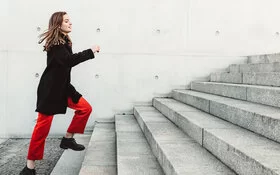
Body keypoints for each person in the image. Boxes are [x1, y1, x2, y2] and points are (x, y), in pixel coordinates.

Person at [20, 11, 100, 175]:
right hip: (50, 91)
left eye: (70, 20)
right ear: (58, 24)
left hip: (64, 88)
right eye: (67, 21)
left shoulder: (65, 42)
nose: (70, 23)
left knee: (85, 108)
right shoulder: (56, 44)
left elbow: (66, 64)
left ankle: (68, 139)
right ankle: (29, 167)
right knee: (42, 128)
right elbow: (68, 61)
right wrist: (90, 51)